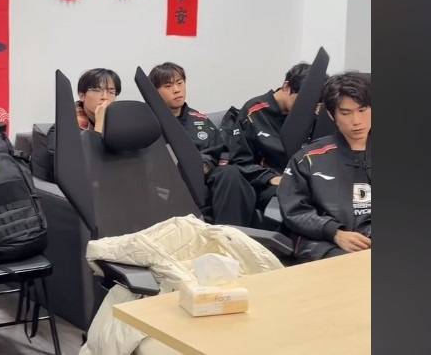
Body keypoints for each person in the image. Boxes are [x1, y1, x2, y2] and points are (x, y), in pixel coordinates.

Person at [277, 71, 372, 262]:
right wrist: (334, 232)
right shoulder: (308, 158)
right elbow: (294, 210)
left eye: (362, 110)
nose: (356, 121)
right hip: (327, 243)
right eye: (346, 113)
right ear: (331, 114)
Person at [149, 62, 256, 226]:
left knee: (231, 173)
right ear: (154, 91)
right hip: (168, 182)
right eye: (168, 86)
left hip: (204, 179)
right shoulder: (148, 123)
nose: (177, 90)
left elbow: (222, 151)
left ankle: (227, 232)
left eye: (180, 83)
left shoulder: (200, 120)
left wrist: (204, 163)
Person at [224, 62, 313, 211]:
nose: (307, 109)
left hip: (303, 181)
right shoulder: (254, 111)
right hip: (267, 184)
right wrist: (272, 178)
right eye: (302, 101)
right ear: (286, 87)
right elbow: (240, 161)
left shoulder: (311, 115)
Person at [32, 68, 121, 181]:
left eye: (111, 92)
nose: (105, 96)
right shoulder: (63, 128)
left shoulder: (118, 125)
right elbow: (84, 167)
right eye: (97, 90)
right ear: (82, 95)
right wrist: (99, 125)